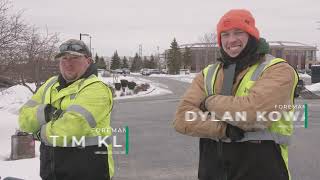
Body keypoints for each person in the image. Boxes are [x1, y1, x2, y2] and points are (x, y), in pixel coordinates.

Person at [174, 9, 298, 180]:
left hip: (263, 171)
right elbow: (182, 118)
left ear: (251, 35)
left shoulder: (277, 69)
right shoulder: (208, 73)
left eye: (238, 32)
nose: (231, 40)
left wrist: (209, 102)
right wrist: (223, 129)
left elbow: (253, 114)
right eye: (225, 35)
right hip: (213, 172)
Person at [18, 39, 114, 180]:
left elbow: (70, 128)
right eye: (64, 58)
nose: (68, 63)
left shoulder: (96, 88)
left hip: (89, 173)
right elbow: (23, 118)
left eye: (75, 58)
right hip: (51, 172)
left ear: (88, 61)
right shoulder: (50, 84)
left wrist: (38, 133)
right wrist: (46, 113)